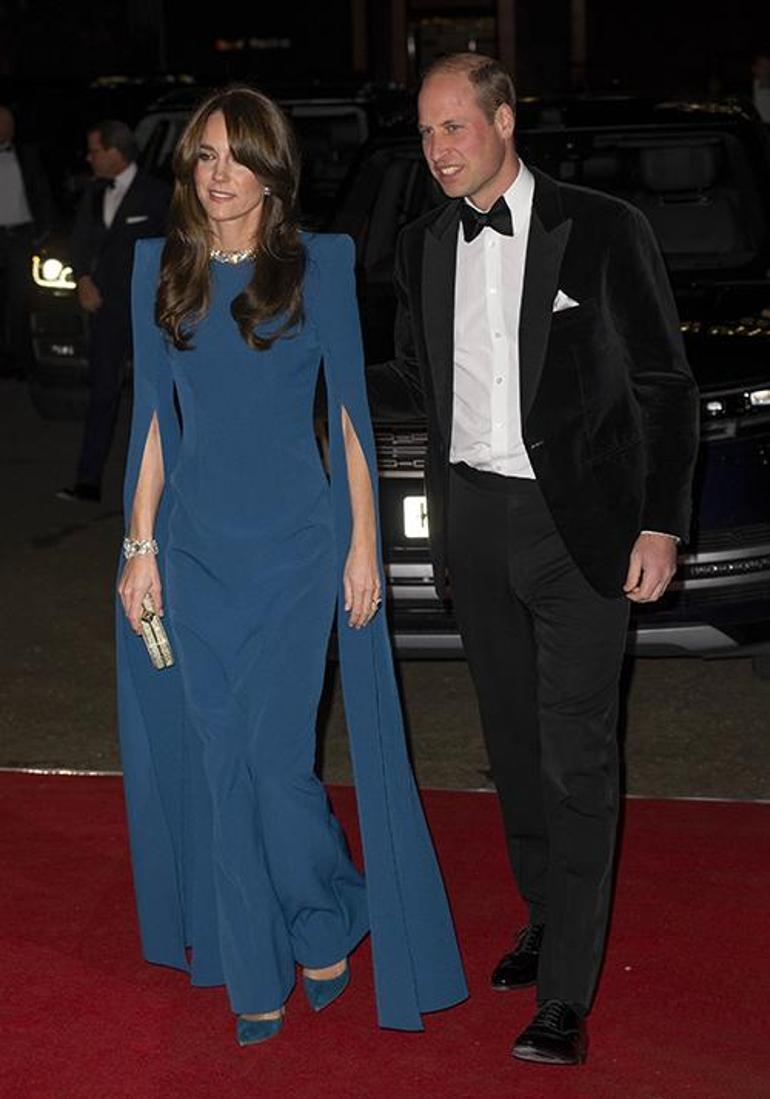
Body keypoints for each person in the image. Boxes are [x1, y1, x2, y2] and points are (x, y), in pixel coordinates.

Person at [115, 85, 467, 1047]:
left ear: (273, 169)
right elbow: (153, 424)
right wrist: (139, 547)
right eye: (204, 157)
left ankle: (328, 908)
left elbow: (350, 416)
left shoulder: (319, 265)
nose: (218, 175)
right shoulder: (162, 269)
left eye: (237, 157)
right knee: (220, 759)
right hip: (194, 554)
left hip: (297, 551)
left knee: (276, 764)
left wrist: (364, 544)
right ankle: (256, 963)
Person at [367, 54, 699, 1066]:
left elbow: (662, 383)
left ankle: (565, 995)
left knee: (575, 755)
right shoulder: (423, 243)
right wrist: (299, 358)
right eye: (426, 131)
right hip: (473, 520)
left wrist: (660, 522)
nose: (437, 150)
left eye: (454, 127)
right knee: (512, 748)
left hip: (579, 528)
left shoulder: (600, 227)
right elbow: (409, 377)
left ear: (505, 120)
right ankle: (545, 913)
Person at [57, 120, 169, 503]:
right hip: (106, 311)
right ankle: (88, 481)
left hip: (148, 313)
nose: (89, 158)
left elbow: (175, 247)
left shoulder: (157, 194)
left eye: (95, 150)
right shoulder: (93, 192)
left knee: (156, 398)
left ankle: (163, 486)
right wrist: (83, 279)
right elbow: (78, 242)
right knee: (102, 394)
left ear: (116, 152)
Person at [0, 103, 53, 377]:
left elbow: (42, 192)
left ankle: (19, 359)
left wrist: (42, 233)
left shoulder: (27, 155)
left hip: (20, 237)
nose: (4, 128)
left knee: (20, 299)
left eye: (7, 123)